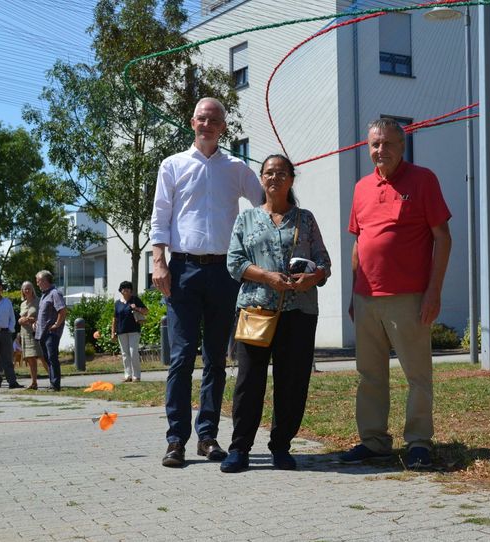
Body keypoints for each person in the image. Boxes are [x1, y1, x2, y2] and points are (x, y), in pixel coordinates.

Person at [151, 97, 263, 468]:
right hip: (182, 271)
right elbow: (160, 216)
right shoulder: (173, 165)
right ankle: (175, 440)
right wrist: (158, 261)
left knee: (216, 359)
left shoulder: (237, 168)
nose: (207, 124)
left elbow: (266, 200)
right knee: (182, 357)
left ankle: (208, 436)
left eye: (214, 119)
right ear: (192, 122)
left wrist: (282, 176)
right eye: (202, 118)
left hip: (224, 273)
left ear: (223, 128)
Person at [339, 118, 452, 469]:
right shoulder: (361, 188)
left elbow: (443, 238)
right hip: (366, 297)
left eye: (387, 143)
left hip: (408, 297)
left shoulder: (423, 180)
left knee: (417, 375)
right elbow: (360, 243)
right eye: (374, 144)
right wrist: (352, 295)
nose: (380, 150)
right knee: (369, 375)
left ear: (402, 146)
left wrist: (434, 291)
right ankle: (373, 442)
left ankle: (419, 442)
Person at [220, 154, 331, 473]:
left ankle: (281, 446)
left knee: (292, 381)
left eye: (281, 173)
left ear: (291, 179)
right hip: (256, 308)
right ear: (261, 179)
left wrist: (314, 276)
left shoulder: (305, 219)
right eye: (269, 173)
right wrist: (267, 276)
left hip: (300, 311)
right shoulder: (247, 219)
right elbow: (234, 262)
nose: (274, 178)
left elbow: (324, 261)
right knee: (248, 381)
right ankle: (239, 448)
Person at [35, 270, 66, 391]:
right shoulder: (44, 294)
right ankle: (52, 382)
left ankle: (55, 384)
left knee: (52, 358)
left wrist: (57, 324)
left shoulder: (54, 293)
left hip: (51, 333)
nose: (37, 284)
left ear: (44, 281)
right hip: (42, 333)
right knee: (47, 358)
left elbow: (62, 310)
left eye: (38, 281)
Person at [111, 281, 148, 383]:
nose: (125, 289)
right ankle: (128, 375)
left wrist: (136, 307)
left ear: (131, 290)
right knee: (125, 354)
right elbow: (115, 319)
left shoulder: (135, 300)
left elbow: (146, 311)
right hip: (121, 331)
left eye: (128, 287)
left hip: (134, 331)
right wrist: (113, 332)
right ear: (120, 290)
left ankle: (136, 376)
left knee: (133, 353)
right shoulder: (117, 303)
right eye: (123, 288)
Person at [18, 281, 43, 390]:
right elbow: (20, 318)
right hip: (25, 333)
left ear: (33, 289)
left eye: (29, 288)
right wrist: (20, 320)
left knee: (42, 356)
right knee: (30, 358)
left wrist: (30, 319)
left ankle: (54, 380)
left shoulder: (38, 301)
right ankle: (34, 382)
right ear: (22, 291)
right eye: (25, 289)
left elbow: (42, 317)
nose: (27, 290)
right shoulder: (22, 304)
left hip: (35, 332)